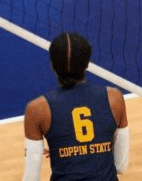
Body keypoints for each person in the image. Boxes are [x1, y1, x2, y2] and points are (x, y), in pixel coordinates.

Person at [22, 32, 128, 181]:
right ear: (87, 63)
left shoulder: (38, 109)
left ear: (53, 65)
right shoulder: (114, 98)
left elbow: (31, 178)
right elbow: (121, 166)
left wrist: (66, 153)